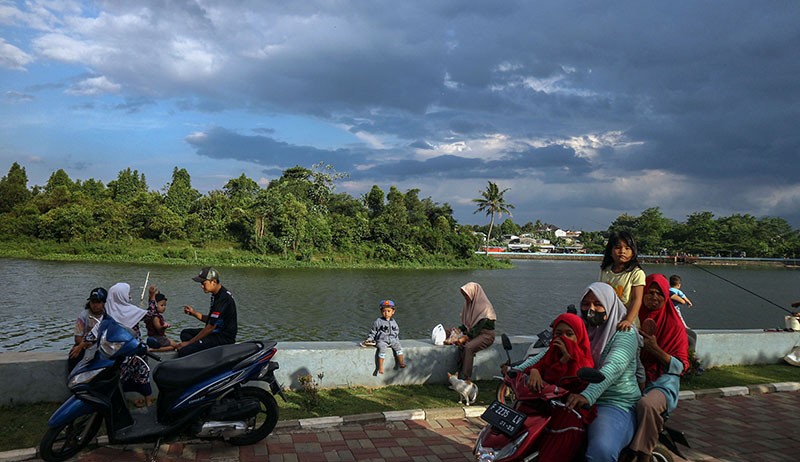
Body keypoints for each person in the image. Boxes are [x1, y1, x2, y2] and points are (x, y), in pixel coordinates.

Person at [565, 282, 641, 462]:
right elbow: (552, 347)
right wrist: (521, 369)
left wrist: (587, 395)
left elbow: (613, 367)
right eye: (586, 304)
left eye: (598, 304)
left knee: (601, 450)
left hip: (613, 401)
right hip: (575, 394)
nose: (590, 309)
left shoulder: (625, 333)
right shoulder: (581, 329)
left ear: (610, 305)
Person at [511, 313, 595, 462]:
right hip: (545, 405)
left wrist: (564, 361)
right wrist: (534, 371)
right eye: (558, 334)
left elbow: (565, 380)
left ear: (579, 336)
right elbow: (538, 365)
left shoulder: (583, 359)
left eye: (569, 334)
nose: (563, 338)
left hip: (570, 409)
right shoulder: (551, 353)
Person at [622, 274, 689, 462]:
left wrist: (656, 350)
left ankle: (641, 454)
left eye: (659, 293)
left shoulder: (674, 325)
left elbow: (681, 366)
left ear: (666, 297)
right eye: (649, 292)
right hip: (632, 376)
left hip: (663, 381)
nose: (653, 297)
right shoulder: (633, 318)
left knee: (647, 404)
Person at [105, 282, 151, 407]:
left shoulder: (108, 312)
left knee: (120, 379)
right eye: (128, 293)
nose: (129, 295)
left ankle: (143, 401)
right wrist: (151, 298)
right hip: (132, 352)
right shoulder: (132, 311)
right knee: (141, 377)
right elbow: (151, 315)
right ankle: (145, 402)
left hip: (121, 353)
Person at [176, 267, 238, 357]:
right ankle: (201, 348)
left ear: (214, 282)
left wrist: (189, 343)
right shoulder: (216, 295)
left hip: (223, 338)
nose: (201, 286)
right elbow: (211, 319)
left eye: (203, 283)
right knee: (185, 333)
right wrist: (194, 313)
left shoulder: (223, 298)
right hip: (215, 332)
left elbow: (211, 327)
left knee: (184, 351)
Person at [599, 230, 646, 331]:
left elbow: (636, 299)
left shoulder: (636, 273)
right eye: (617, 247)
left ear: (633, 251)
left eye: (627, 248)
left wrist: (628, 320)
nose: (622, 251)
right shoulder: (605, 271)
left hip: (628, 323)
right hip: (607, 321)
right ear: (610, 251)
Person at [451, 282, 496, 382]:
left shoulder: (485, 308)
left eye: (466, 295)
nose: (466, 297)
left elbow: (478, 327)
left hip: (486, 335)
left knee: (468, 347)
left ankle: (466, 378)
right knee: (459, 344)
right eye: (464, 295)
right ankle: (458, 375)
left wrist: (465, 337)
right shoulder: (470, 305)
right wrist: (459, 330)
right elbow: (468, 324)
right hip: (474, 334)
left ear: (474, 293)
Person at [67, 287, 106, 373]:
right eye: (93, 302)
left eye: (98, 302)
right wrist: (84, 345)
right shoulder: (83, 315)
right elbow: (77, 337)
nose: (95, 305)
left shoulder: (107, 316)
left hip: (103, 346)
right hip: (85, 344)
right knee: (73, 355)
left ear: (104, 303)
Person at [363, 299, 406, 374]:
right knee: (382, 349)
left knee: (398, 348)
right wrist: (370, 339)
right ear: (381, 312)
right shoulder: (378, 321)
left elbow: (396, 330)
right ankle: (380, 367)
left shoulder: (393, 321)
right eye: (384, 311)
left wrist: (396, 338)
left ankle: (401, 362)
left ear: (393, 312)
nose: (386, 313)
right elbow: (373, 331)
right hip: (382, 340)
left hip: (392, 339)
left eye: (388, 311)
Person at [143, 285, 177, 352]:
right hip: (157, 338)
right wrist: (164, 326)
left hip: (152, 337)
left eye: (165, 305)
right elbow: (159, 329)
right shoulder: (156, 317)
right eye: (162, 305)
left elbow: (151, 302)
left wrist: (151, 294)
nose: (164, 307)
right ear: (155, 305)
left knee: (171, 341)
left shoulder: (151, 314)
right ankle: (154, 350)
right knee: (175, 345)